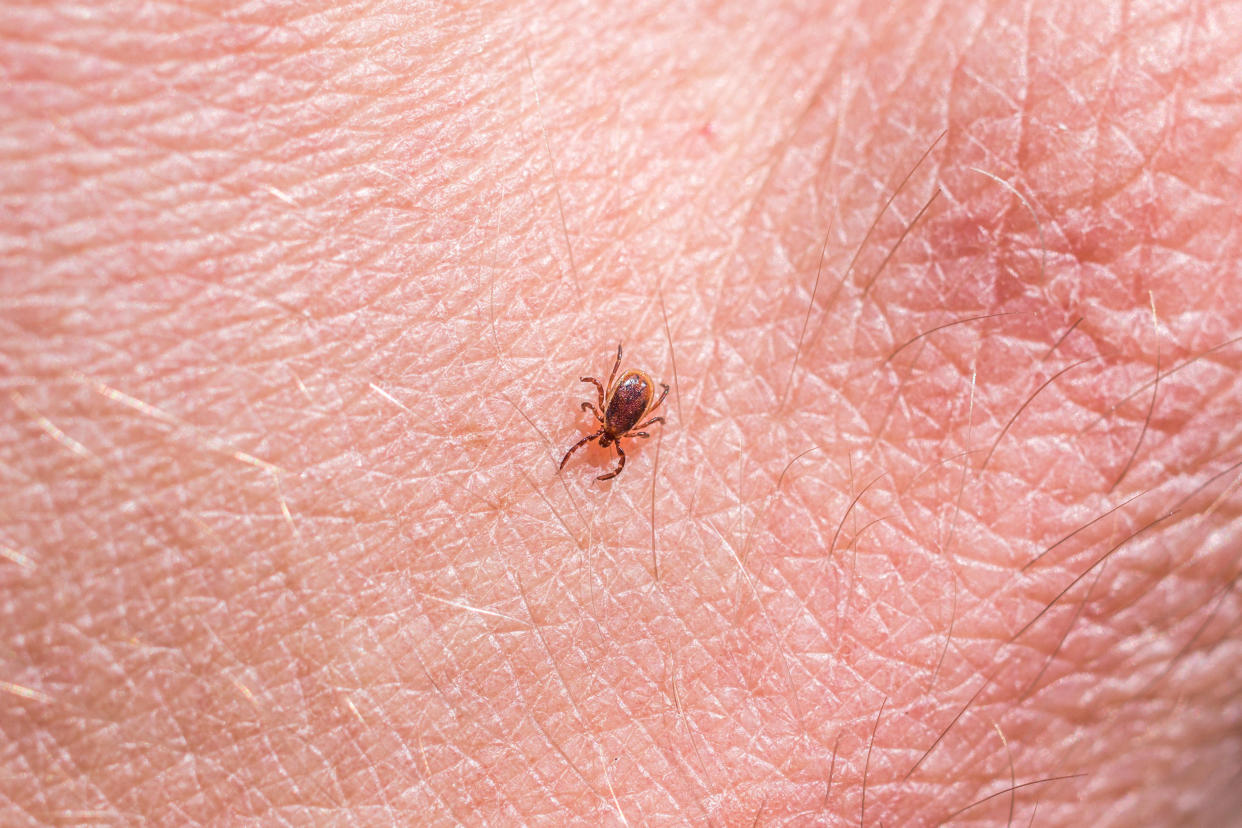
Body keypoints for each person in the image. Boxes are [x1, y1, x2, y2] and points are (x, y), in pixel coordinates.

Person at [4, 0, 1240, 823]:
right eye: (609, 428)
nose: (611, 429)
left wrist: (616, 427)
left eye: (611, 428)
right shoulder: (617, 420)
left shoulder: (621, 419)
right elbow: (635, 401)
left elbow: (637, 402)